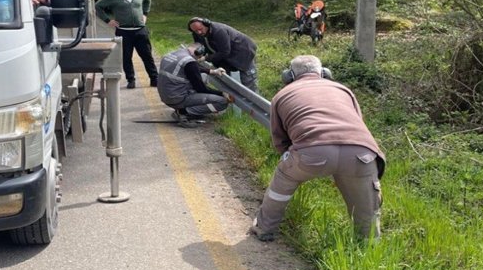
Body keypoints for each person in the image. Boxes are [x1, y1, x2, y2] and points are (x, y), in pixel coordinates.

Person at [251, 55, 385, 241]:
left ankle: (265, 228)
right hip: (361, 153)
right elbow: (358, 123)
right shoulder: (344, 90)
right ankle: (368, 248)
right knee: (366, 208)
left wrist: (294, 160)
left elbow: (280, 139)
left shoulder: (282, 95)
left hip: (311, 153)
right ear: (324, 73)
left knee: (283, 180)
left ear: (289, 76)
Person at [95, 0, 158, 89]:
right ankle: (131, 79)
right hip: (124, 31)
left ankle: (154, 78)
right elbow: (98, 6)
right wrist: (108, 20)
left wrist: (145, 14)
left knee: (147, 55)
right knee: (126, 57)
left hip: (140, 31)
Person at [157, 43, 230, 123]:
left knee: (203, 76)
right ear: (198, 52)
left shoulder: (175, 54)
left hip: (167, 96)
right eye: (198, 57)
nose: (198, 59)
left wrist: (211, 71)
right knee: (222, 102)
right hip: (178, 99)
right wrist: (221, 93)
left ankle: (191, 110)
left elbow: (194, 68)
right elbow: (201, 89)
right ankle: (183, 112)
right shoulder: (190, 62)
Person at [187, 18, 258, 92]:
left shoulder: (219, 31)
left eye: (200, 29)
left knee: (248, 80)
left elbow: (225, 52)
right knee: (224, 77)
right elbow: (200, 45)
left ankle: (253, 100)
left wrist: (206, 58)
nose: (199, 32)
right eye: (195, 31)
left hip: (243, 52)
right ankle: (230, 97)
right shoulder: (197, 33)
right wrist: (197, 53)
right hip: (225, 55)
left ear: (206, 24)